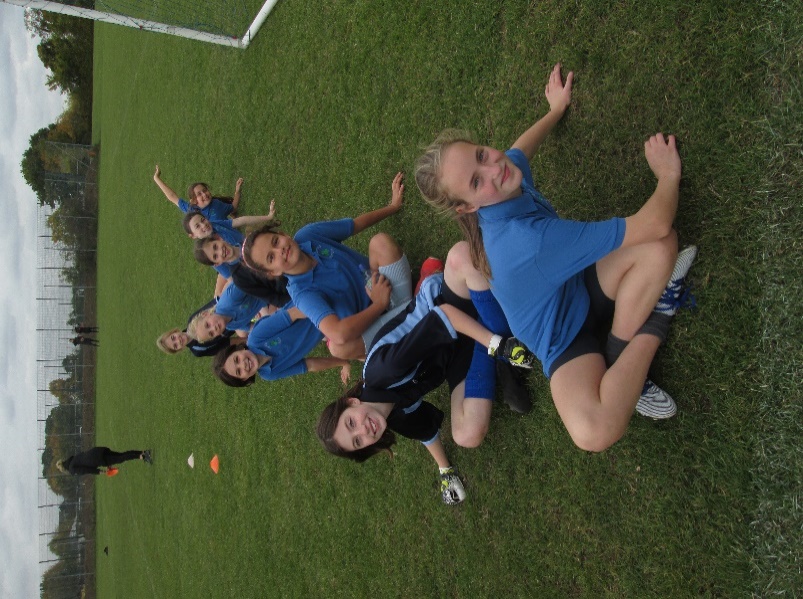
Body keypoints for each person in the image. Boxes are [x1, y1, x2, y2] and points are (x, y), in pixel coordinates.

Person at [415, 63, 697, 452]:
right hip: (562, 343)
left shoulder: (502, 185)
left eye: (481, 153)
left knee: (660, 249)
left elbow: (519, 150)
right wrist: (667, 175)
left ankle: (618, 355)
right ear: (466, 208)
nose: (494, 168)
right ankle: (655, 323)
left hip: (581, 285)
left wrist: (555, 111)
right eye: (476, 180)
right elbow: (656, 221)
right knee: (592, 432)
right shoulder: (526, 243)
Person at [316, 255, 535, 505]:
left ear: (352, 402)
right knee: (467, 435)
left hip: (446, 306)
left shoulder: (383, 370)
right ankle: (497, 350)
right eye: (358, 441)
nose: (364, 430)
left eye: (351, 423)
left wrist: (497, 346)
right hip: (454, 354)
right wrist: (446, 472)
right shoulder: (388, 417)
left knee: (461, 258)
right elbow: (425, 432)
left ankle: (499, 346)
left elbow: (445, 315)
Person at [240, 172, 411, 360]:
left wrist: (392, 207)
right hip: (369, 322)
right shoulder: (302, 294)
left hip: (382, 287)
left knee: (380, 242)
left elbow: (355, 225)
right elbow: (338, 333)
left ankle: (407, 316)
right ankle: (413, 310)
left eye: (275, 241)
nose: (280, 250)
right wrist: (379, 304)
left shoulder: (308, 236)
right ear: (273, 272)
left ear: (282, 234)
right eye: (271, 258)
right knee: (338, 348)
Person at [212, 304, 351, 385]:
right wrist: (343, 362)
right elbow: (310, 365)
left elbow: (296, 312)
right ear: (245, 379)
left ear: (239, 349)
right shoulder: (269, 374)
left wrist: (327, 320)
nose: (243, 364)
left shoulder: (256, 336)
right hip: (329, 328)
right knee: (341, 349)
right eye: (239, 371)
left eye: (236, 359)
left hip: (321, 307)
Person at [193, 235, 291, 307]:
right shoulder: (239, 279)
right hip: (291, 287)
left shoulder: (250, 241)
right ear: (217, 263)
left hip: (292, 261)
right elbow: (273, 298)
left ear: (218, 238)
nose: (220, 251)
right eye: (215, 256)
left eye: (215, 246)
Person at [157, 298, 244, 357]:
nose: (178, 340)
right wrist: (246, 339)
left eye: (173, 337)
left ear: (174, 332)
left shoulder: (192, 320)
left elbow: (214, 305)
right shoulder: (198, 350)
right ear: (179, 349)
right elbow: (227, 343)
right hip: (240, 325)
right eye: (175, 345)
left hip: (230, 308)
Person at [187, 283, 270, 342]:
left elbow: (252, 277)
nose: (214, 328)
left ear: (206, 314)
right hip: (270, 299)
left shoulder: (230, 299)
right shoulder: (231, 326)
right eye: (211, 333)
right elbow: (253, 328)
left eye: (208, 325)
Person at [153, 165, 240, 220]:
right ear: (194, 201)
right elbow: (172, 196)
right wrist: (156, 178)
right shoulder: (192, 210)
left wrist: (237, 191)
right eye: (199, 194)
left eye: (205, 190)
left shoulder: (216, 204)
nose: (204, 194)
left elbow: (233, 208)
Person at [181, 201, 276, 242]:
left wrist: (268, 217)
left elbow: (241, 220)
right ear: (193, 236)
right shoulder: (212, 252)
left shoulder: (215, 224)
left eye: (203, 220)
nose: (204, 225)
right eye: (197, 226)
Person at [56, 446, 153, 475]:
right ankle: (142, 452)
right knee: (121, 455)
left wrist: (101, 472)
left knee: (121, 458)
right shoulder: (73, 458)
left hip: (98, 459)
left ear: (63, 469)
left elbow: (87, 470)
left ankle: (143, 456)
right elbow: (85, 456)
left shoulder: (72, 469)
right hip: (98, 451)